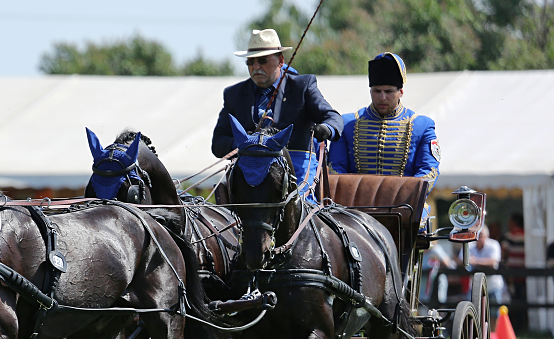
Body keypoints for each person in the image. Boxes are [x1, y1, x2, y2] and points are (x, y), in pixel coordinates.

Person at [211, 28, 343, 197]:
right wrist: (249, 145)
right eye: (250, 62)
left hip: (296, 170)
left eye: (262, 60)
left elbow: (333, 117)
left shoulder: (302, 86)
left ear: (280, 60)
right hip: (250, 173)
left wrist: (327, 128)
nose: (256, 67)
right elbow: (218, 143)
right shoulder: (234, 94)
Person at [327, 52, 440, 230]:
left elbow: (429, 171)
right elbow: (335, 168)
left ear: (400, 92)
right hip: (355, 207)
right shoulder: (347, 123)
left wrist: (403, 198)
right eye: (376, 91)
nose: (382, 97)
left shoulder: (422, 125)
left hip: (404, 207)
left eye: (388, 91)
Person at [456, 225, 507, 304]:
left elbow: (493, 261)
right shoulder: (469, 245)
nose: (478, 237)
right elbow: (460, 260)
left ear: (487, 235)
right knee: (472, 312)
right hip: (474, 286)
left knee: (494, 313)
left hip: (493, 286)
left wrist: (475, 261)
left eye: (481, 234)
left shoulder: (493, 244)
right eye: (476, 234)